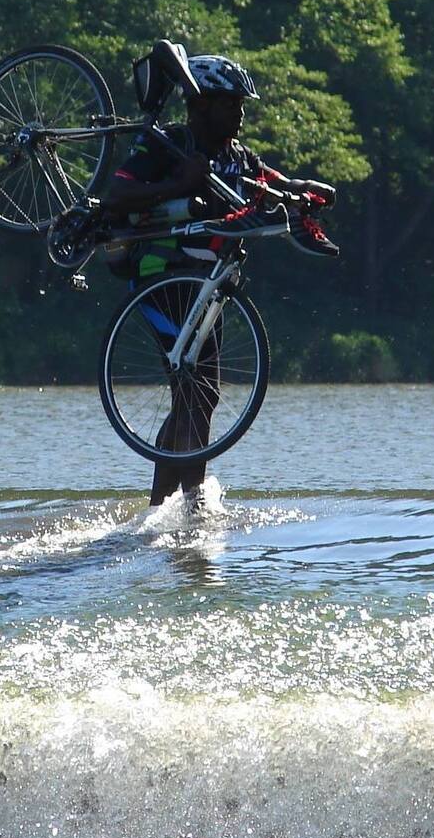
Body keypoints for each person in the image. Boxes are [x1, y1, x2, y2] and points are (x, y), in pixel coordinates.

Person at [102, 49, 339, 509]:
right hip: (160, 278)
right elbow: (117, 194)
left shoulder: (238, 156)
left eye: (242, 104)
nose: (240, 113)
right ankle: (185, 508)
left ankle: (171, 510)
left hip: (208, 286)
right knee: (193, 390)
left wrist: (306, 191)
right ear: (201, 104)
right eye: (231, 103)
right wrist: (179, 184)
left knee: (202, 395)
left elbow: (274, 182)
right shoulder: (169, 143)